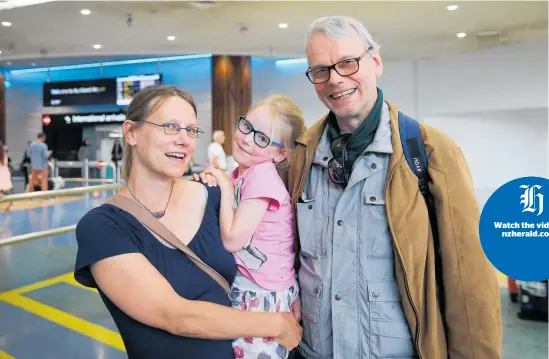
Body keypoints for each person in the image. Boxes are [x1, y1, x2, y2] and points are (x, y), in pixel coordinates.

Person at [288, 16, 502, 359]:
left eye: (347, 62)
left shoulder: (430, 151)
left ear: (376, 61)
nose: (335, 79)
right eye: (321, 70)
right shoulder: (302, 155)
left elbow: (469, 283)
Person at [73, 85, 301, 359]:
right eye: (170, 126)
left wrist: (289, 292)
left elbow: (272, 242)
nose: (184, 140)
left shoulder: (214, 195)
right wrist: (277, 323)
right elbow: (174, 316)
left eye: (191, 130)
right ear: (131, 132)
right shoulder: (102, 227)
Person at [197, 95, 306, 359]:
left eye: (262, 138)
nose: (247, 138)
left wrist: (223, 186)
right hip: (254, 288)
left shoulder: (262, 176)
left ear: (279, 153)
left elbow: (233, 240)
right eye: (246, 126)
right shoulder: (243, 173)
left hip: (262, 295)